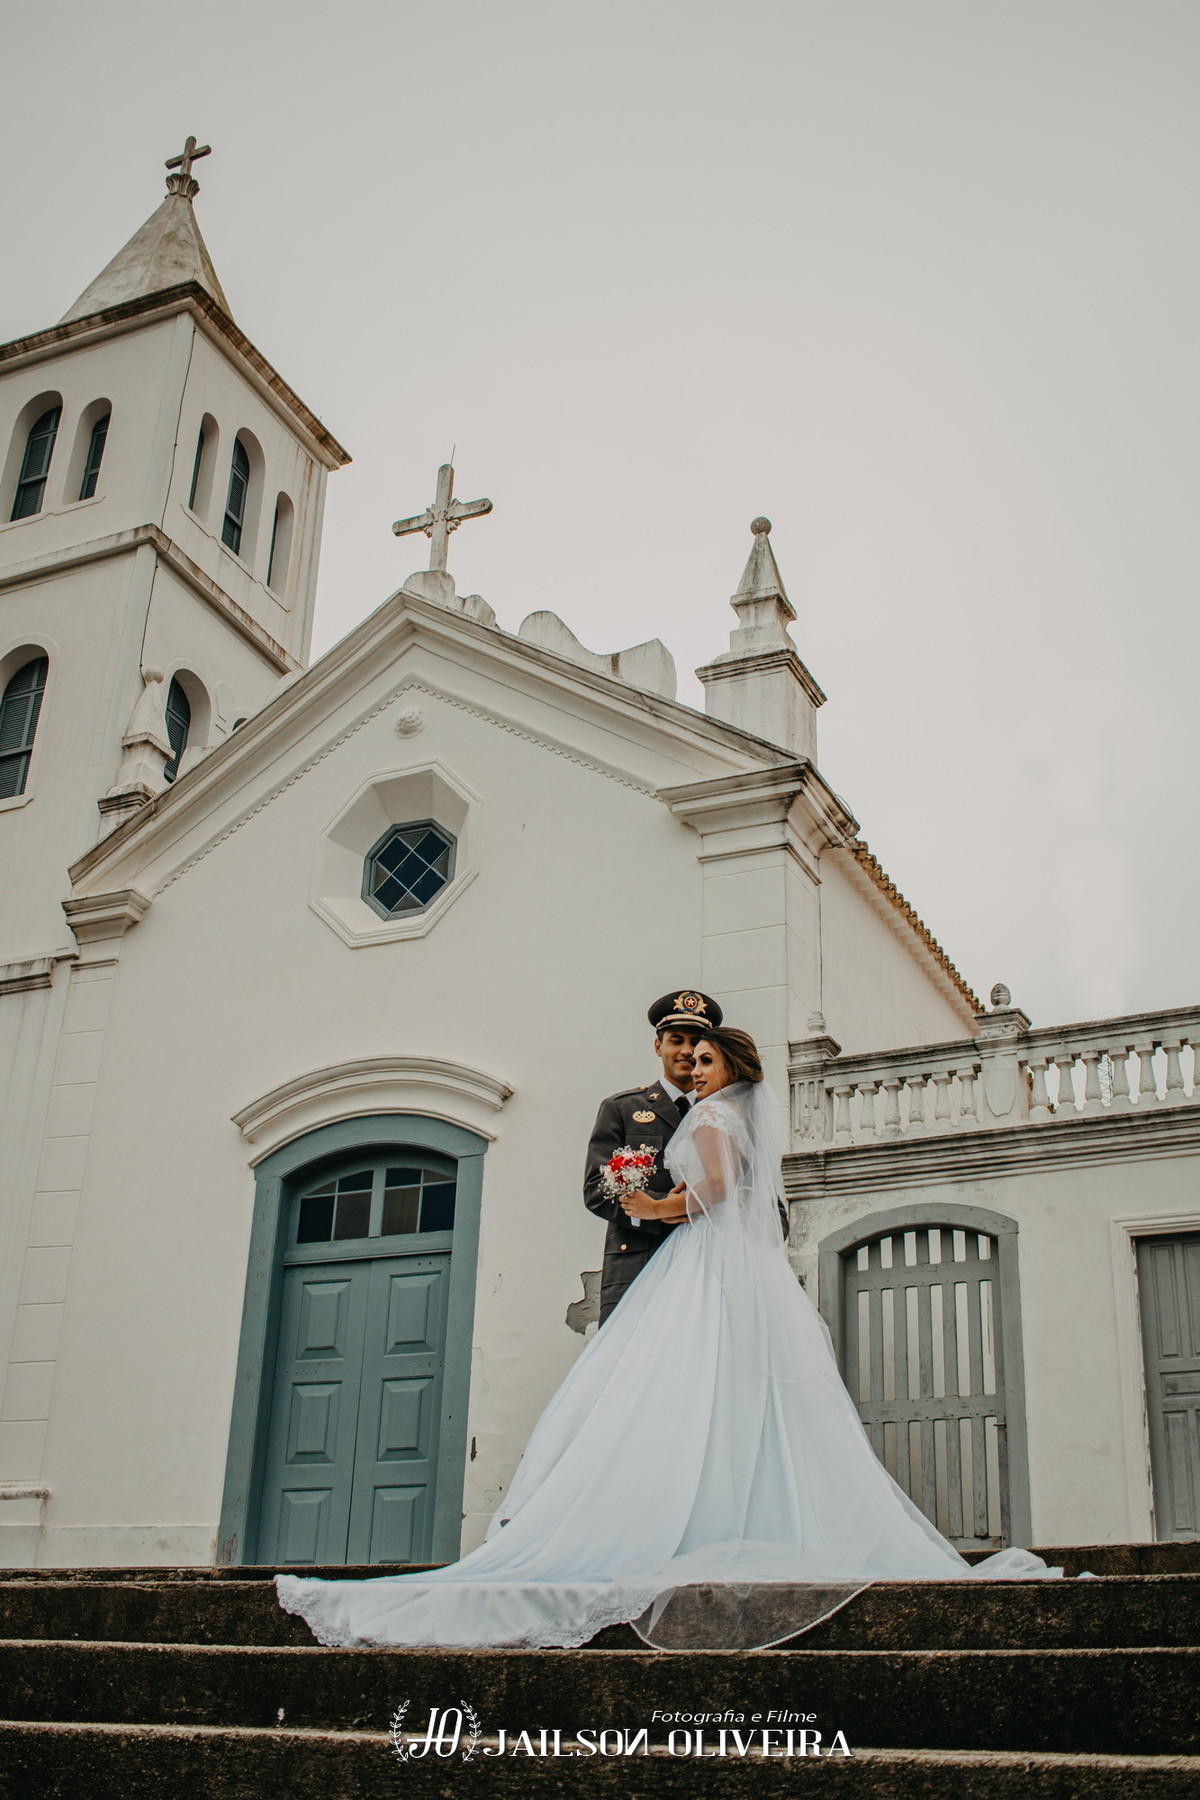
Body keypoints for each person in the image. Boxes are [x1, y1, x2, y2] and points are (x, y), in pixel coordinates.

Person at [276, 1026, 1058, 1652]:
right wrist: (638, 1197)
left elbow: (712, 1190)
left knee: (669, 1387)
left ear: (730, 1066)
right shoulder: (707, 1112)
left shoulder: (713, 1115)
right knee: (715, 1389)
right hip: (720, 1262)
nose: (696, 1064)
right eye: (688, 1052)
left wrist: (651, 1207)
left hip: (698, 1257)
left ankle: (672, 1516)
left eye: (708, 1056)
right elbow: (682, 1189)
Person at [583, 989, 721, 1324]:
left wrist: (687, 1208)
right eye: (676, 1040)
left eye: (696, 1042)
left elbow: (764, 1204)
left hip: (711, 1270)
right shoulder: (622, 1108)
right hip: (638, 1267)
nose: (686, 1050)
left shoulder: (725, 1116)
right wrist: (663, 1209)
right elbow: (597, 1189)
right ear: (658, 1046)